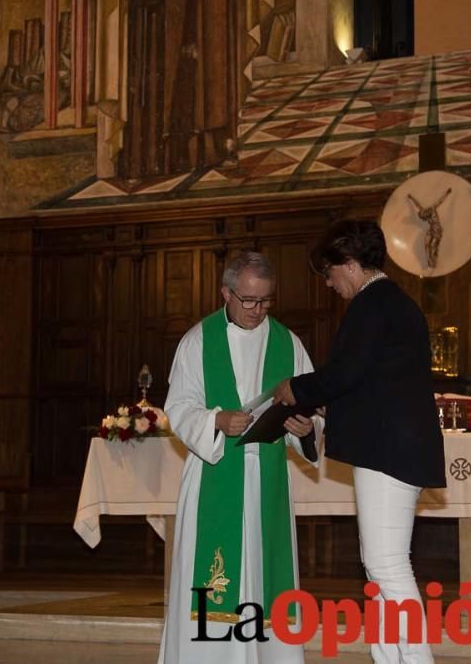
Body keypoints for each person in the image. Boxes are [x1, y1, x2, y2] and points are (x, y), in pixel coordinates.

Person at [274, 220, 446, 664]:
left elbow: (345, 374)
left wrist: (297, 388)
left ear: (348, 264)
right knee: (381, 566)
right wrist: (333, 408)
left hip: (387, 453)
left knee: (388, 567)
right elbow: (375, 385)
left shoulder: (372, 304)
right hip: (392, 445)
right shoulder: (393, 304)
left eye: (329, 273)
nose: (329, 284)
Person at [158, 251, 320, 664]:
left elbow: (314, 409)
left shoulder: (288, 342)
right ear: (226, 292)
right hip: (216, 476)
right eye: (248, 300)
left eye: (265, 301)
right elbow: (179, 407)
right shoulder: (198, 341)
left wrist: (305, 430)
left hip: (268, 481)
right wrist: (215, 420)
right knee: (217, 582)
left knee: (267, 577)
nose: (257, 310)